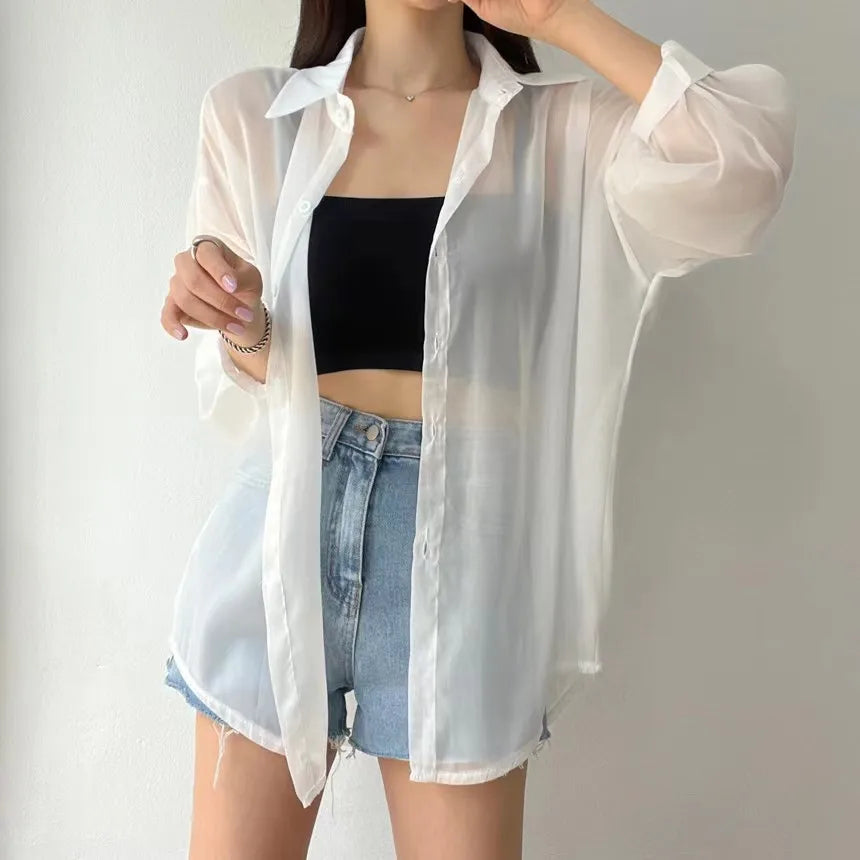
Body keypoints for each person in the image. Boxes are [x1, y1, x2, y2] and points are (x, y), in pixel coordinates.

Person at [160, 0, 796, 856]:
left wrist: (553, 13)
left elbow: (744, 160)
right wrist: (236, 319)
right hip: (279, 534)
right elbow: (248, 383)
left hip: (461, 556)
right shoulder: (256, 113)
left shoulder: (558, 129)